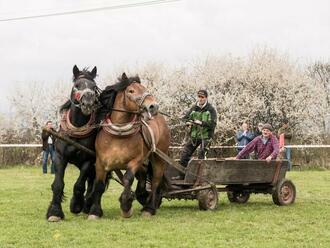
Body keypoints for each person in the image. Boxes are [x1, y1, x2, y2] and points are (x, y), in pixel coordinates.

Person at [179, 89, 217, 168]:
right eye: (199, 97)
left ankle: (200, 178)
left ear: (206, 98)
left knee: (201, 153)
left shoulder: (211, 109)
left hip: (206, 136)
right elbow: (184, 119)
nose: (200, 99)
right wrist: (187, 123)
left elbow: (213, 124)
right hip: (194, 136)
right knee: (184, 154)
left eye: (202, 97)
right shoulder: (194, 108)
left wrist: (201, 123)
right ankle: (183, 174)